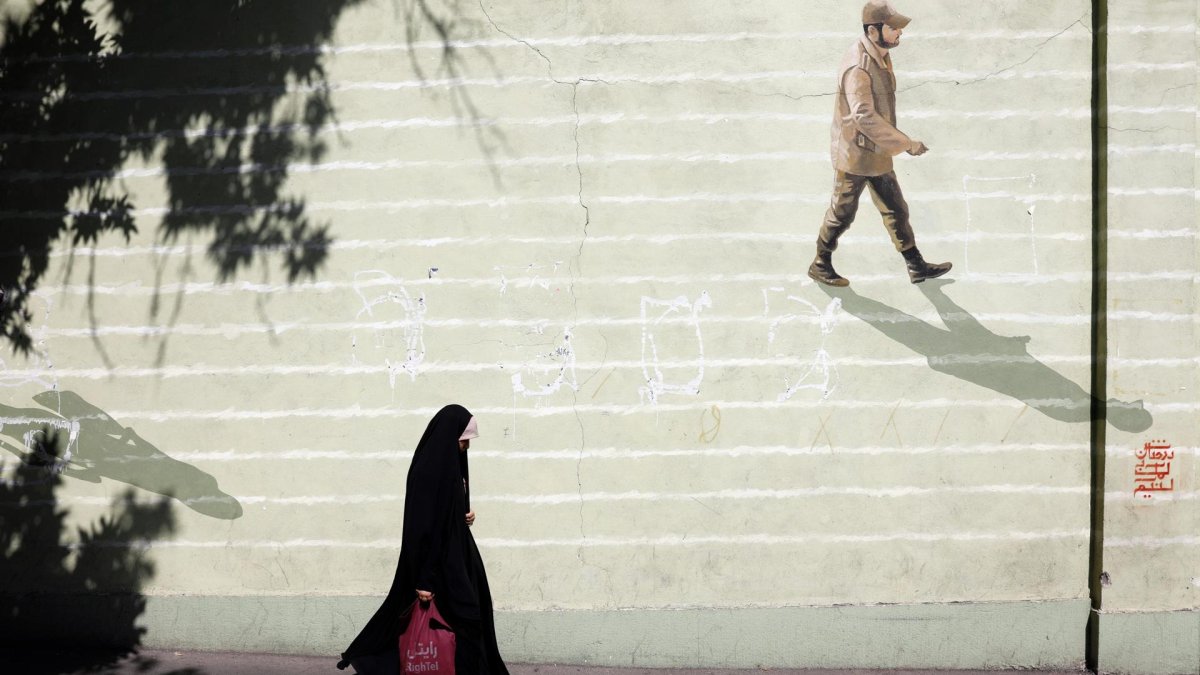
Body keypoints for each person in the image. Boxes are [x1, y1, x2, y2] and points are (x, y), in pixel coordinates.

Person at [338, 404, 508, 675]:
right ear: (450, 436)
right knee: (458, 622)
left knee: (468, 623)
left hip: (456, 559)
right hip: (439, 565)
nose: (467, 445)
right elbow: (424, 527)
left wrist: (465, 514)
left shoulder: (450, 466)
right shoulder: (429, 472)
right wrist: (426, 579)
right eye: (464, 438)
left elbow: (447, 509)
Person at [808, 0, 952, 287]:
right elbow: (864, 116)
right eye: (893, 28)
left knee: (896, 209)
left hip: (877, 151)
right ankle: (820, 263)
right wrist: (905, 143)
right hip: (855, 156)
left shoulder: (879, 54)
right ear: (873, 31)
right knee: (842, 213)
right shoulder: (858, 65)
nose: (900, 33)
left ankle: (916, 266)